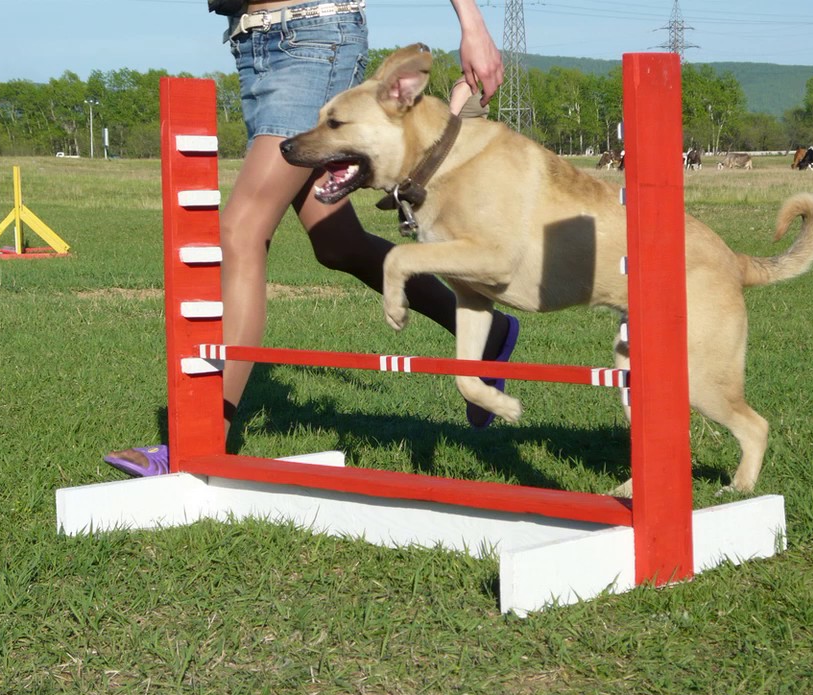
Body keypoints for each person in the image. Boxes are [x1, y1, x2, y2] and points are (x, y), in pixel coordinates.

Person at [104, 0, 521, 477]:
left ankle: (198, 442)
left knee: (242, 228)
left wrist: (473, 24)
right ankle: (487, 333)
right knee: (337, 243)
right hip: (253, 43)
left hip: (312, 38)